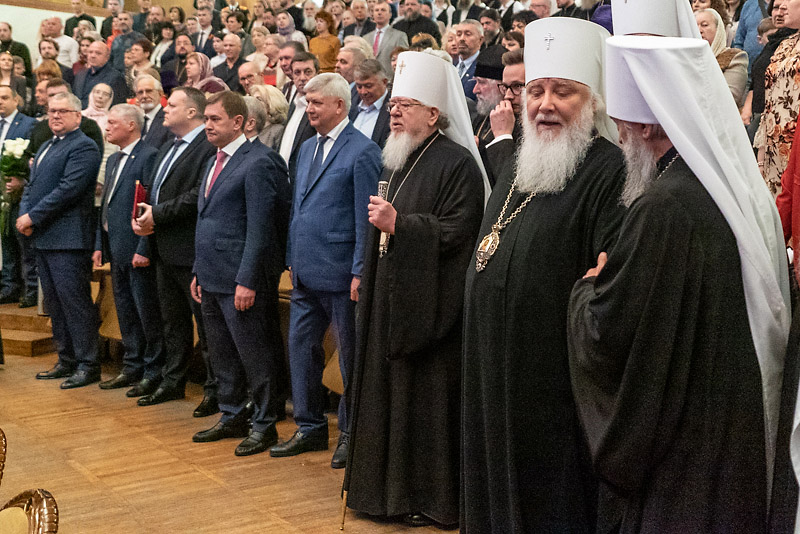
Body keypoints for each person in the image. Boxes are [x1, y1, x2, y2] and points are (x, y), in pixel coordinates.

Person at [570, 34, 790, 533]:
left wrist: (589, 289)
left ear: (647, 124)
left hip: (685, 448)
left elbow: (613, 331)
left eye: (622, 125)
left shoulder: (663, 207)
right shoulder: (720, 183)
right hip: (727, 418)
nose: (619, 138)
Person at [461, 18, 626, 533]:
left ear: (593, 102)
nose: (544, 105)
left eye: (563, 92)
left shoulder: (610, 169)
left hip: (553, 381)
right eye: (536, 91)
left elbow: (606, 283)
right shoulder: (519, 161)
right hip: (492, 366)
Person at [345, 50, 487, 528]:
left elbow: (460, 232)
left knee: (422, 405)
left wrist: (401, 225)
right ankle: (379, 493)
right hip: (388, 300)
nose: (394, 112)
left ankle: (426, 497)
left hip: (429, 310)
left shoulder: (458, 164)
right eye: (393, 105)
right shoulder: (396, 158)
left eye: (405, 105)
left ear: (433, 113)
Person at [269, 73, 382, 468]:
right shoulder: (306, 147)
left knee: (350, 357)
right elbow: (298, 207)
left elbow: (365, 219)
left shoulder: (363, 151)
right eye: (306, 102)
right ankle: (310, 427)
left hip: (341, 274)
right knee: (301, 350)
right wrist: (291, 254)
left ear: (339, 105)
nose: (309, 109)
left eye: (316, 102)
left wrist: (360, 270)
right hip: (304, 269)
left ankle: (351, 433)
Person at [190, 90, 290, 456]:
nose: (207, 125)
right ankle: (232, 413)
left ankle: (264, 424)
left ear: (238, 122)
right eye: (205, 118)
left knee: (255, 354)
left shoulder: (260, 161)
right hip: (211, 274)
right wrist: (198, 271)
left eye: (215, 119)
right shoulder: (212, 160)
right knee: (222, 353)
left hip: (241, 279)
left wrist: (247, 279)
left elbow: (261, 227)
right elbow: (207, 218)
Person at [132, 86, 219, 412]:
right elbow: (156, 192)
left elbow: (198, 194)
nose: (165, 109)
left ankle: (215, 390)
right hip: (164, 248)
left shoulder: (206, 146)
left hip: (191, 250)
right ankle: (172, 381)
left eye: (172, 105)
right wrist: (145, 221)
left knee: (206, 327)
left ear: (192, 112)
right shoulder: (169, 145)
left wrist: (157, 214)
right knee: (173, 323)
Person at [19, 92, 102, 388]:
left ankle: (88, 364)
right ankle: (66, 360)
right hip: (44, 236)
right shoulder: (46, 145)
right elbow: (31, 186)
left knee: (74, 303)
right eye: (52, 111)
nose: (55, 116)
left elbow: (68, 189)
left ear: (78, 116)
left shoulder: (84, 146)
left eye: (62, 111)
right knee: (54, 304)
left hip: (68, 238)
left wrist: (33, 217)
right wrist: (24, 214)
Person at [93, 103, 166, 394]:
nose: (107, 127)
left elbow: (149, 204)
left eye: (113, 122)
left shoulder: (149, 155)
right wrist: (100, 244)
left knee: (146, 312)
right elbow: (107, 205)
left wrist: (144, 248)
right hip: (115, 246)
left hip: (136, 248)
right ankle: (132, 365)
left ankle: (153, 370)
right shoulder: (113, 158)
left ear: (131, 125)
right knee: (125, 310)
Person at [0, 85, 36, 306]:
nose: (0, 101)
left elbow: (32, 157)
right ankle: (9, 286)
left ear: (16, 100)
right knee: (4, 240)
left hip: (20, 192)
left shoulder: (28, 124)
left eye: (4, 97)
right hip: (1, 192)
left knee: (21, 240)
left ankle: (30, 286)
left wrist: (22, 179)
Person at [278, 51, 318, 182]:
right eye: (297, 73)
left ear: (317, 74)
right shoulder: (292, 104)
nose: (302, 77)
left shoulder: (320, 109)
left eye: (308, 72)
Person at [696, 8, 748, 106]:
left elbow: (730, 97)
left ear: (718, 30)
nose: (699, 30)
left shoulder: (735, 57)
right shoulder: (686, 59)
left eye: (704, 25)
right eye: (695, 26)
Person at [484, 47, 523, 177]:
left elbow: (509, 182)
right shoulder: (508, 119)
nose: (508, 96)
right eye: (505, 87)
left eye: (517, 86)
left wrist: (503, 136)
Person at [74, 41, 129, 108]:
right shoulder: (80, 74)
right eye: (90, 52)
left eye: (98, 53)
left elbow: (118, 105)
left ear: (107, 57)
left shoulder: (116, 77)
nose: (93, 56)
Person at [349, 58, 390, 147]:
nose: (363, 92)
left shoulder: (394, 109)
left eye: (368, 86)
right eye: (359, 86)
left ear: (384, 82)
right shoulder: (351, 102)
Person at [365, 1, 410, 78]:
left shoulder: (400, 36)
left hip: (390, 80)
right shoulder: (365, 38)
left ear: (390, 15)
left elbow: (404, 60)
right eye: (377, 10)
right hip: (369, 79)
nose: (379, 13)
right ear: (372, 14)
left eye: (383, 10)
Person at [471, 45, 504, 146]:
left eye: (481, 82)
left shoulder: (515, 123)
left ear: (502, 86)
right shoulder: (480, 118)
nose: (475, 90)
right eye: (476, 82)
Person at [135, 74, 173, 148]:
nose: (144, 96)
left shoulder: (169, 119)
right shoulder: (136, 120)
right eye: (140, 92)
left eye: (149, 91)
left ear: (160, 93)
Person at [248, 83, 288, 149]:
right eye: (253, 99)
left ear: (271, 104)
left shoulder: (277, 131)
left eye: (258, 99)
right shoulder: (250, 129)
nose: (253, 103)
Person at [455, 20, 485, 100]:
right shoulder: (451, 64)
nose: (462, 38)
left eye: (468, 34)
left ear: (480, 40)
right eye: (458, 34)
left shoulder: (484, 67)